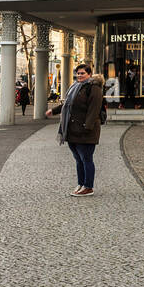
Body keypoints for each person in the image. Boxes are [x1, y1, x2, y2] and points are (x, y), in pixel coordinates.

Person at [50, 63, 105, 196]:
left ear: (89, 74)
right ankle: (81, 183)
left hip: (85, 131)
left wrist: (87, 127)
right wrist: (53, 111)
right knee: (78, 159)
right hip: (72, 130)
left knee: (86, 158)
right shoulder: (76, 87)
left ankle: (88, 187)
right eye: (78, 73)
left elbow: (94, 109)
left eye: (82, 73)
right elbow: (68, 104)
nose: (79, 75)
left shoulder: (94, 88)